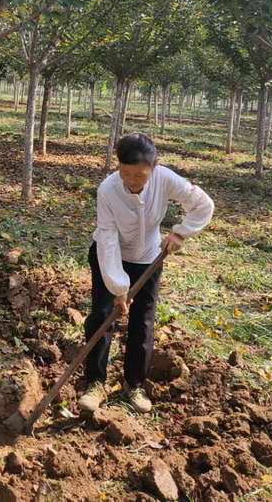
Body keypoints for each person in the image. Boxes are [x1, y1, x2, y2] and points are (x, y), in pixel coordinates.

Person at [78, 132, 214, 416]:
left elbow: (203, 205)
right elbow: (107, 239)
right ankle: (95, 383)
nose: (131, 181)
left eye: (140, 175)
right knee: (102, 316)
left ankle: (134, 384)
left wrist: (181, 233)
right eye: (125, 173)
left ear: (154, 168)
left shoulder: (165, 179)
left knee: (143, 321)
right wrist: (118, 286)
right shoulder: (108, 190)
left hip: (149, 258)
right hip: (109, 255)